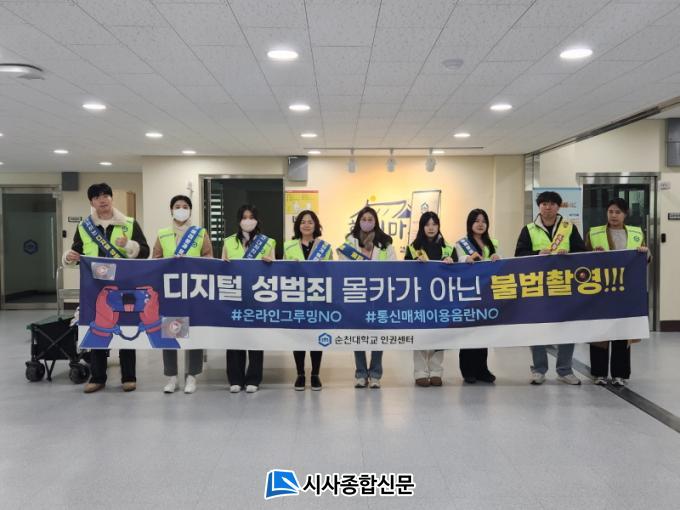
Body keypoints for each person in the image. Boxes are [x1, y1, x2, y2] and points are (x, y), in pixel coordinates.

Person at [63, 183, 150, 394]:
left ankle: (129, 377)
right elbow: (77, 253)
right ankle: (98, 377)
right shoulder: (84, 227)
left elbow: (145, 252)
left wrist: (129, 245)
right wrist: (69, 257)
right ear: (91, 202)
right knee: (98, 330)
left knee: (127, 328)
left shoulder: (129, 224)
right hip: (95, 288)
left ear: (112, 198)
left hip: (125, 285)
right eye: (97, 197)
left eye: (106, 195)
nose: (102, 200)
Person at [515, 190, 586, 385]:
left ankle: (565, 370)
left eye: (552, 204)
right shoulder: (528, 229)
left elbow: (582, 253)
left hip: (564, 285)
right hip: (537, 286)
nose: (548, 207)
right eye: (544, 204)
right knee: (537, 327)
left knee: (567, 327)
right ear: (539, 206)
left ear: (558, 206)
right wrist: (537, 253)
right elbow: (519, 255)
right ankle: (539, 369)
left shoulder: (568, 228)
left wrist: (569, 255)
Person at [152, 195, 213, 394]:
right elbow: (155, 260)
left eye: (185, 206)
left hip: (194, 289)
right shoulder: (163, 234)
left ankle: (192, 375)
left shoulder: (200, 233)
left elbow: (209, 258)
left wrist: (191, 262)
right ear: (171, 210)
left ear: (190, 210)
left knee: (194, 332)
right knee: (171, 331)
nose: (181, 209)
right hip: (171, 290)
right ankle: (172, 377)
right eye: (177, 206)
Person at [586, 197, 649, 387]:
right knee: (600, 332)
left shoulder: (636, 233)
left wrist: (644, 252)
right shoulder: (594, 233)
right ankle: (598, 373)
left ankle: (619, 374)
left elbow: (646, 258)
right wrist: (592, 255)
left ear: (625, 214)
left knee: (622, 332)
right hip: (600, 291)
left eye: (618, 212)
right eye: (611, 211)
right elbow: (582, 259)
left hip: (625, 292)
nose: (614, 215)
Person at [338, 206, 396, 389]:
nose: (367, 222)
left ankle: (376, 374)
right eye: (364, 219)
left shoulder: (385, 242)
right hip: (357, 293)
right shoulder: (350, 241)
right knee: (358, 334)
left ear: (376, 222)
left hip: (379, 294)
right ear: (358, 221)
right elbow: (343, 266)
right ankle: (361, 374)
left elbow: (394, 266)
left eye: (370, 219)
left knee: (378, 334)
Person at [222, 205, 275, 394]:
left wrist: (271, 264)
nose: (248, 221)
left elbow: (275, 271)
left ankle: (254, 377)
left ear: (257, 220)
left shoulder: (268, 242)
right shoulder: (228, 242)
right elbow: (221, 269)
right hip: (234, 297)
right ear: (239, 220)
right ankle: (235, 378)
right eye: (244, 217)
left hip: (257, 297)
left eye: (251, 217)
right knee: (234, 338)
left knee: (255, 338)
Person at [404, 212, 455, 387]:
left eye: (434, 224)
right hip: (419, 297)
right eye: (427, 224)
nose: (431, 228)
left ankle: (436, 372)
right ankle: (420, 372)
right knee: (420, 335)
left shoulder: (448, 248)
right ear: (422, 227)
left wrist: (451, 262)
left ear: (439, 226)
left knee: (439, 336)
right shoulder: (413, 248)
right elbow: (404, 272)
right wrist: (414, 264)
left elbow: (458, 272)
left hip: (442, 299)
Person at [283, 210, 332, 391]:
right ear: (298, 225)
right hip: (296, 296)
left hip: (317, 296)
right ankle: (300, 374)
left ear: (316, 225)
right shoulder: (288, 246)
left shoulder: (325, 247)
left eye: (310, 222)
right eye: (303, 222)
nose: (306, 225)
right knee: (299, 336)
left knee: (316, 336)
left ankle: (315, 374)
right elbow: (282, 271)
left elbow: (332, 272)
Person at [455, 209, 500, 384]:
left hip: (487, 293)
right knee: (468, 332)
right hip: (468, 293)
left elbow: (500, 263)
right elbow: (456, 261)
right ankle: (468, 370)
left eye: (484, 221)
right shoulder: (461, 243)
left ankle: (482, 369)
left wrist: (497, 256)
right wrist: (465, 259)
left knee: (484, 332)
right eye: (477, 221)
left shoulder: (493, 243)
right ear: (470, 223)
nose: (480, 224)